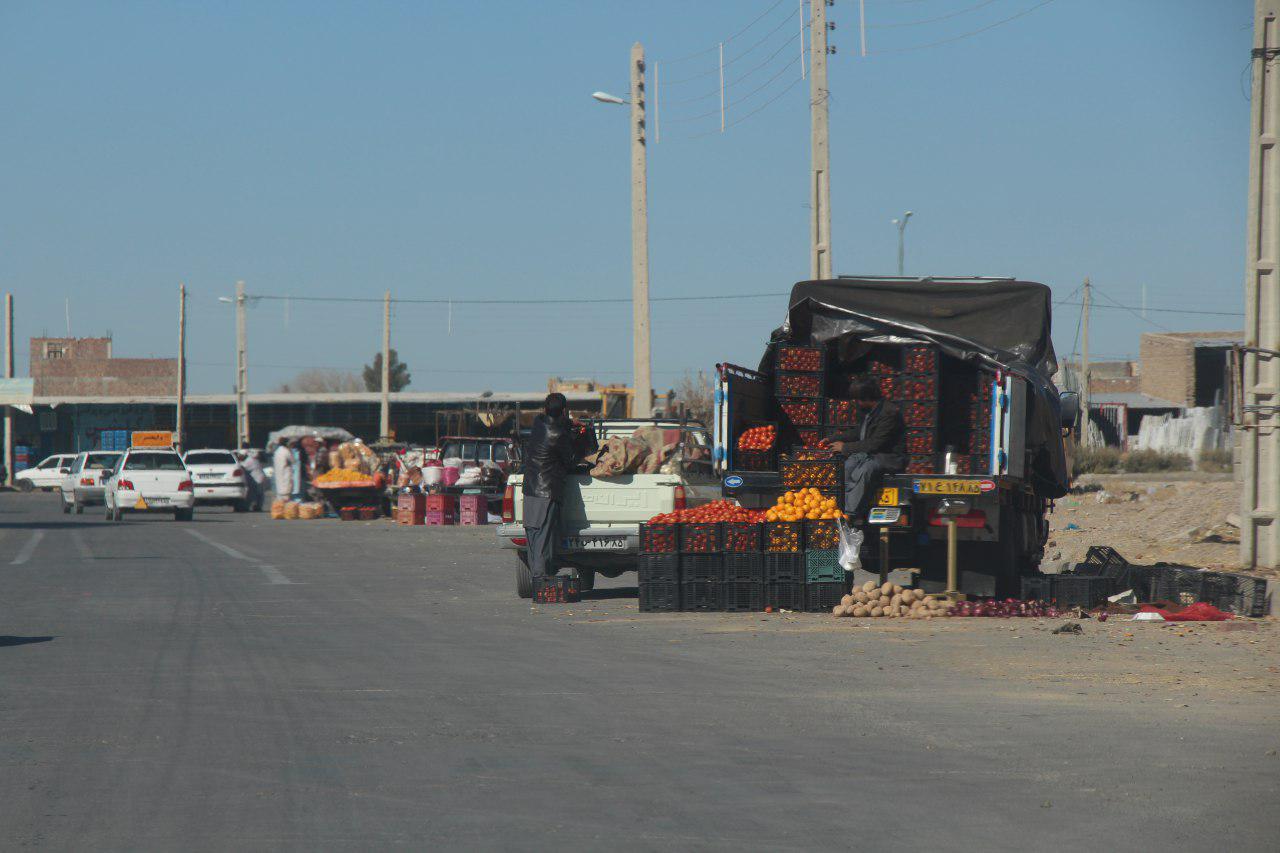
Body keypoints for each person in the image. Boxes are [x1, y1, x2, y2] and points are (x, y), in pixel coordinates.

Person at [827, 377, 906, 520]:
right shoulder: (870, 412)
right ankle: (839, 506)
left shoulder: (889, 413)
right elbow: (860, 432)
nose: (857, 403)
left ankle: (849, 515)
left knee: (864, 470)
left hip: (887, 457)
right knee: (847, 467)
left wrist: (845, 447)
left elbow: (875, 443)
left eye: (858, 399)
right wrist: (833, 439)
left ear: (867, 398)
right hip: (869, 453)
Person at [521, 393, 580, 579]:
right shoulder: (558, 435)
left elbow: (556, 423)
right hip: (546, 491)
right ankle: (541, 578)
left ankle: (537, 576)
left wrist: (571, 424)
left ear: (545, 410)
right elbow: (570, 460)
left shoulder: (538, 423)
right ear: (564, 411)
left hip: (530, 488)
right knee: (543, 538)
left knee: (533, 533)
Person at [238, 443, 267, 511]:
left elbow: (241, 467)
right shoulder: (251, 458)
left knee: (257, 494)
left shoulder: (249, 461)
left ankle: (256, 507)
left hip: (258, 479)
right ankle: (255, 506)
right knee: (256, 494)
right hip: (257, 478)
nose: (240, 457)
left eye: (241, 456)